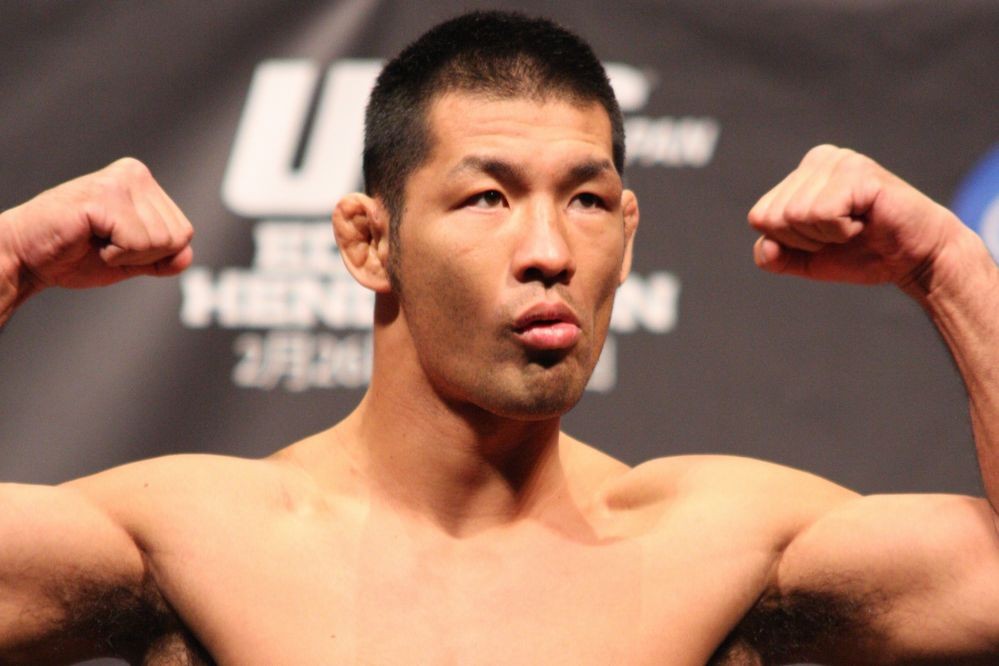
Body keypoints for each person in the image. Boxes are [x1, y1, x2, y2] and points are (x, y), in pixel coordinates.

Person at [2, 10, 998, 665]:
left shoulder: (725, 543)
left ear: (628, 236)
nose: (549, 251)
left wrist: (949, 270)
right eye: (487, 197)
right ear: (368, 241)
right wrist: (9, 261)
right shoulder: (195, 537)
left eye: (587, 201)